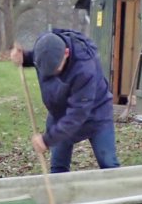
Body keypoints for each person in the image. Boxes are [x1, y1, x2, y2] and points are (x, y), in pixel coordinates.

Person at [11, 29, 120, 173]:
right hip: (60, 115)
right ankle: (58, 195)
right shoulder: (45, 45)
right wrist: (24, 58)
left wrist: (47, 140)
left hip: (96, 115)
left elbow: (77, 115)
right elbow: (38, 58)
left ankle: (118, 192)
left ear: (66, 53)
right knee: (58, 169)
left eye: (55, 70)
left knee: (108, 164)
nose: (52, 75)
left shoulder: (84, 69)